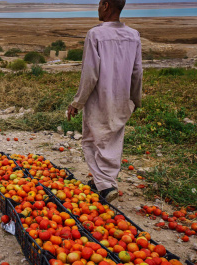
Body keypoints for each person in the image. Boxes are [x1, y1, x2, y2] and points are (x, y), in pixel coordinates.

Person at [67, 0, 142, 202]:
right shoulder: (133, 35)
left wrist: (77, 102)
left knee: (92, 140)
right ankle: (102, 181)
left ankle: (106, 186)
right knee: (113, 140)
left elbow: (90, 74)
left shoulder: (96, 34)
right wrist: (135, 99)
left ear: (106, 5)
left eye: (99, 4)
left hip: (99, 97)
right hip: (122, 98)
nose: (98, 8)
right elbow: (137, 72)